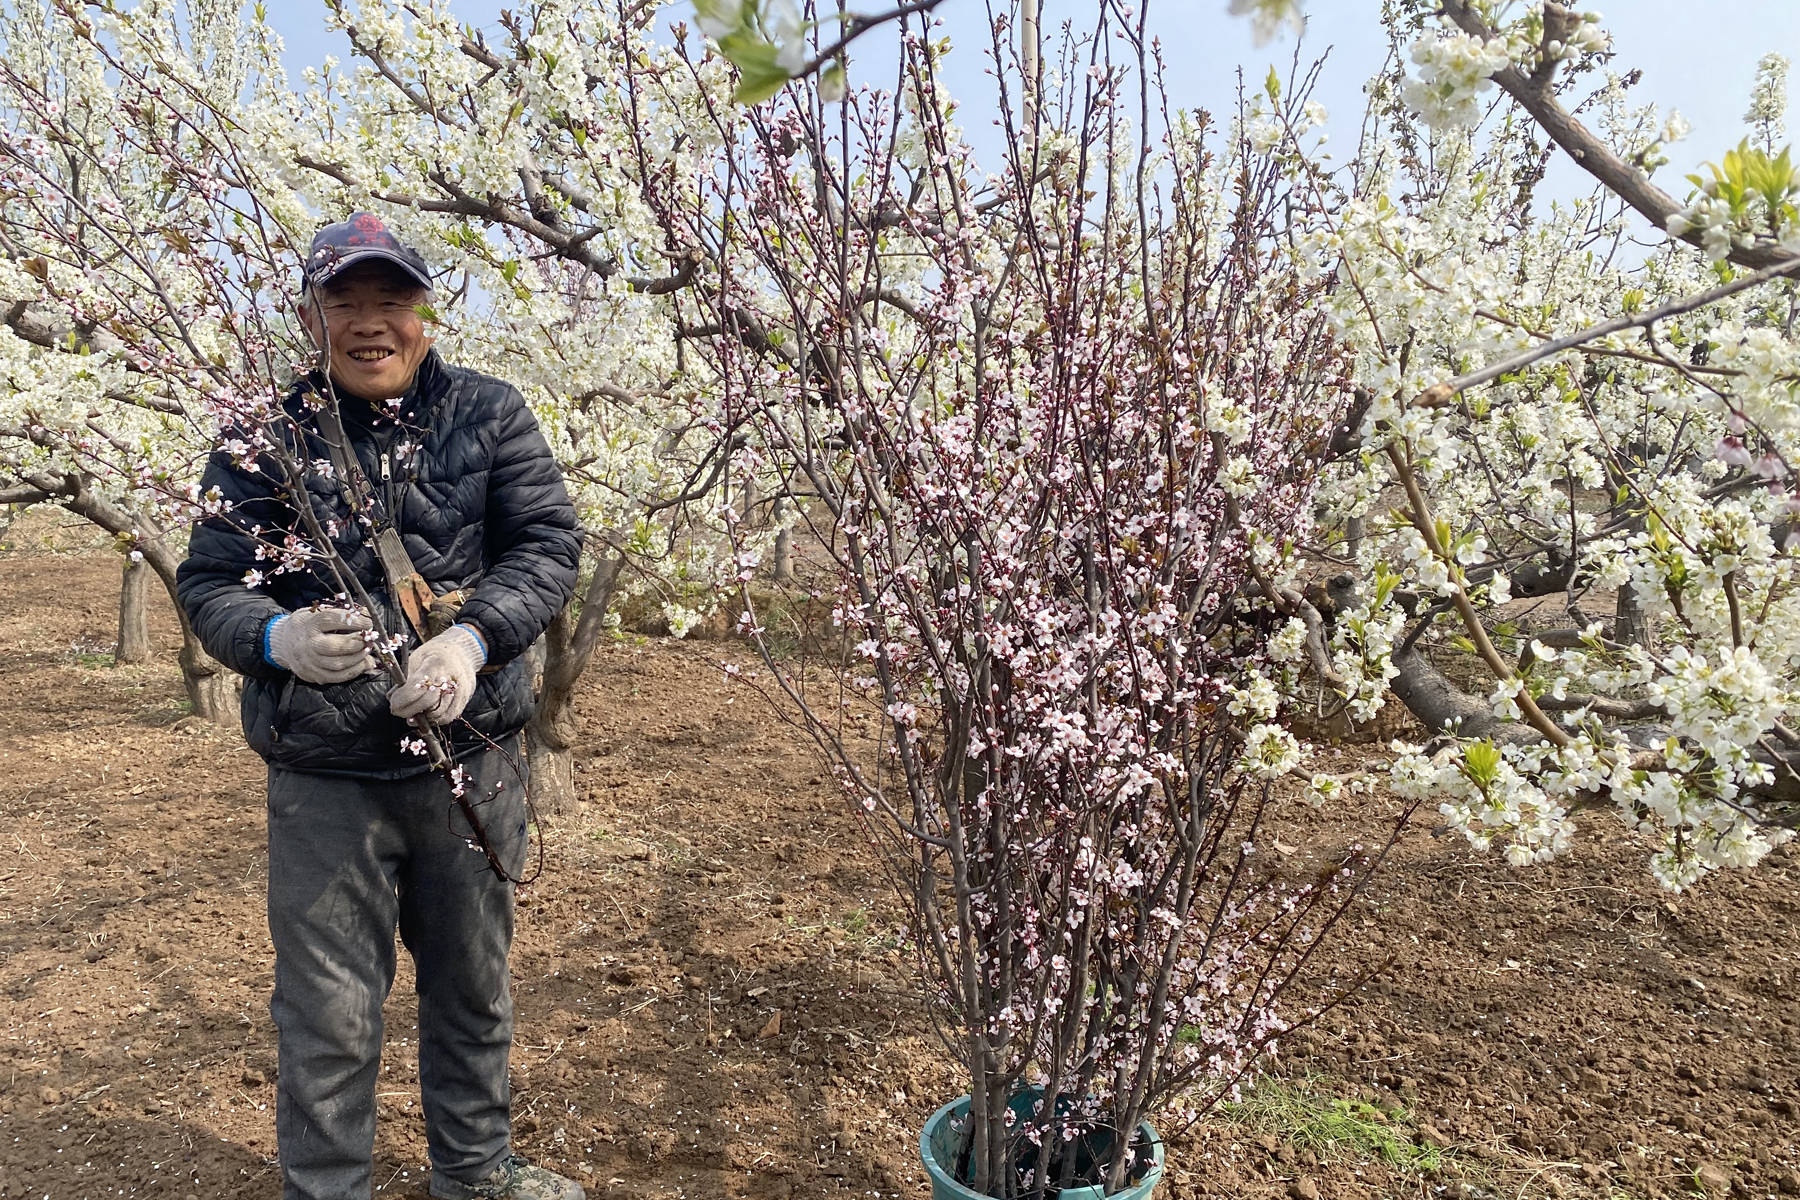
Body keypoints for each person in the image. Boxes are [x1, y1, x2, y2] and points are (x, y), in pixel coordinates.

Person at [177, 214, 585, 1200]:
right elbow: (211, 580)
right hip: (327, 780)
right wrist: (275, 637)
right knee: (328, 1016)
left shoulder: (489, 413)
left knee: (473, 990)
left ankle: (476, 1173)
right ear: (309, 318)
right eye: (344, 302)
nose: (369, 323)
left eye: (390, 300)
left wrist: (471, 638)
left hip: (472, 758)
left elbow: (547, 546)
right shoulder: (264, 437)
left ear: (424, 315)